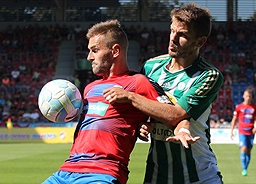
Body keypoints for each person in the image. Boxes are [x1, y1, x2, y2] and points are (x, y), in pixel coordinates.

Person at [43, 20, 195, 184]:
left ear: (115, 50)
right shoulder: (89, 88)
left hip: (102, 172)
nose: (89, 57)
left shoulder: (137, 83)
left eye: (95, 50)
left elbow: (174, 115)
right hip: (67, 170)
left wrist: (182, 131)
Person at [104, 3, 224, 184]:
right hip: (156, 176)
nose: (172, 39)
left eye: (182, 34)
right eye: (172, 31)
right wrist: (144, 124)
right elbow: (146, 110)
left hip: (200, 176)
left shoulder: (209, 75)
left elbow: (176, 115)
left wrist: (129, 96)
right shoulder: (151, 67)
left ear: (200, 42)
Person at [230, 89, 256, 176]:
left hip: (251, 132)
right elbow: (234, 119)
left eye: (249, 96)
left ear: (251, 97)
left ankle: (246, 167)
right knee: (243, 148)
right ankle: (244, 169)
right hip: (242, 131)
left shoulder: (254, 108)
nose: (248, 98)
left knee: (249, 150)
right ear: (243, 96)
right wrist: (231, 131)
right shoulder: (239, 107)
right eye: (246, 96)